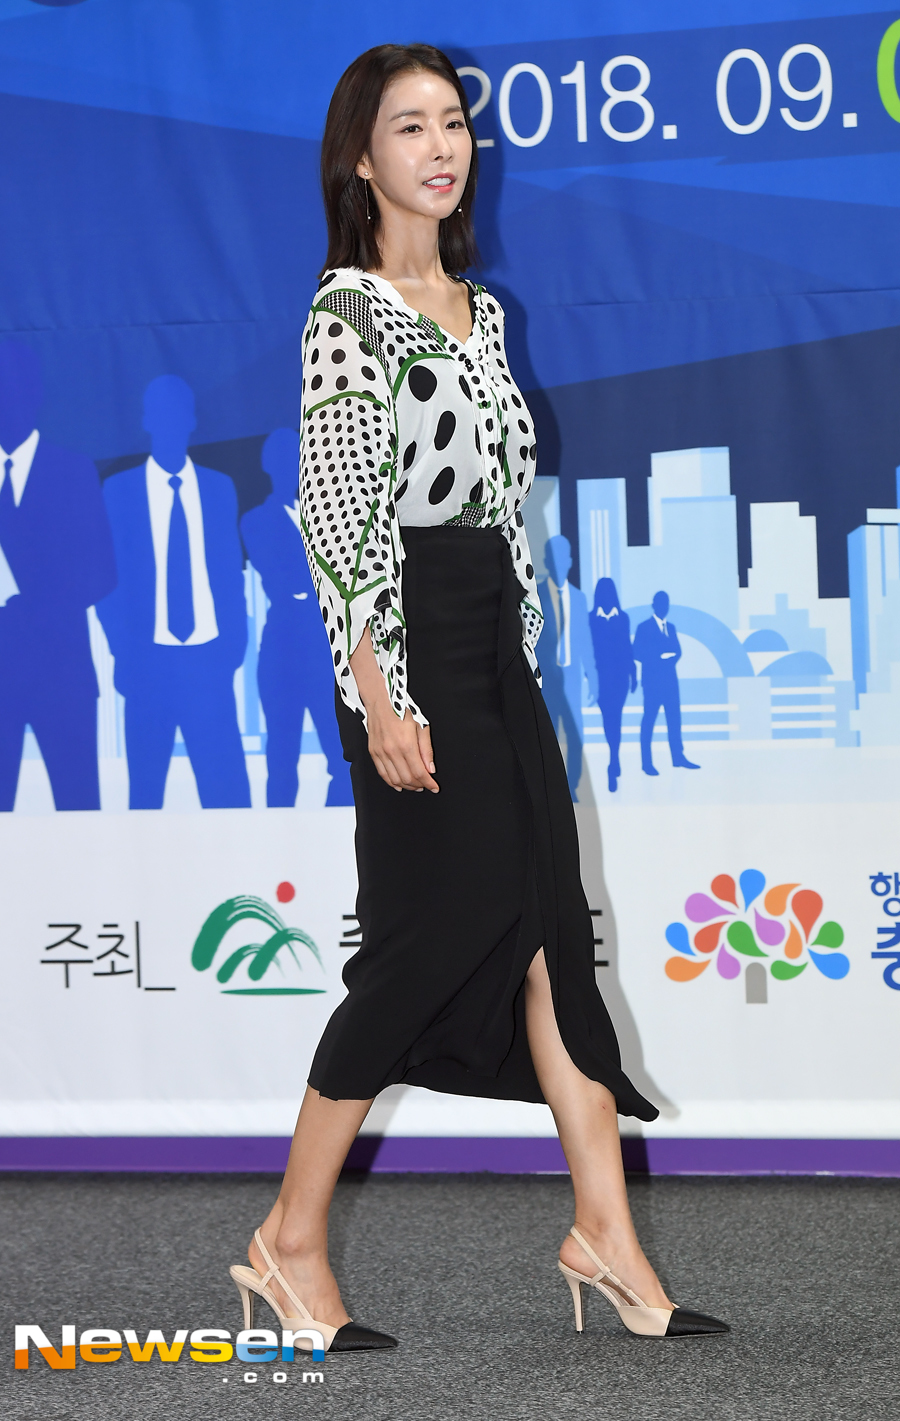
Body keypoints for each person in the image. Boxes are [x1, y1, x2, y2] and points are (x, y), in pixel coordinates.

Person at [228, 45, 727, 1353]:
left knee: (554, 930)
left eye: (455, 123)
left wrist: (525, 662)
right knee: (417, 948)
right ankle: (286, 1241)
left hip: (495, 656)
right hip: (409, 659)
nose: (443, 147)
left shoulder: (482, 311)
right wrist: (381, 695)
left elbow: (503, 513)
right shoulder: (345, 316)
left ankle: (606, 1234)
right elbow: (339, 529)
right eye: (411, 127)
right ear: (361, 159)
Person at [96, 376, 251, 809]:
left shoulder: (219, 488)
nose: (168, 422)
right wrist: (125, 654)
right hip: (147, 666)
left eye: (177, 413)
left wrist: (231, 650)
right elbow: (109, 586)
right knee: (145, 801)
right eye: (159, 413)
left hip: (209, 665)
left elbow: (229, 576)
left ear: (192, 421)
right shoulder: (119, 490)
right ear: (146, 421)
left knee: (229, 801)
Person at [0, 340, 116, 811]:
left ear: (35, 393)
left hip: (62, 675)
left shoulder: (72, 471)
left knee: (79, 810)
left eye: (16, 385)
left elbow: (104, 572)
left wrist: (37, 603)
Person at [240, 427, 353, 807]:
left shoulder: (333, 516)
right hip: (283, 656)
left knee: (342, 759)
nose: (292, 465)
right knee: (282, 761)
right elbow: (287, 583)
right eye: (283, 458)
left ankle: (334, 837)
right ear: (267, 466)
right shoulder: (256, 520)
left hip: (329, 655)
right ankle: (280, 846)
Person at [536, 534, 597, 801]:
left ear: (571, 561)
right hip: (546, 679)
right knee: (548, 735)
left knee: (575, 735)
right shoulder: (533, 595)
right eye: (554, 556)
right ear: (546, 561)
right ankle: (549, 789)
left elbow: (585, 642)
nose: (560, 561)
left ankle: (571, 786)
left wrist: (592, 677)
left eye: (564, 556)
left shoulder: (580, 599)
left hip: (572, 678)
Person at [632, 590, 700, 776]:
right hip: (652, 684)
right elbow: (636, 652)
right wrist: (658, 657)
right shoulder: (644, 627)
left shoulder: (671, 627)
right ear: (654, 605)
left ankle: (678, 757)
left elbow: (677, 651)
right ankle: (647, 763)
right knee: (649, 722)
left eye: (667, 604)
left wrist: (667, 658)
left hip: (670, 683)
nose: (664, 607)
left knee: (674, 721)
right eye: (661, 604)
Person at [589, 577, 636, 793]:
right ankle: (614, 758)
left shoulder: (623, 618)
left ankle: (614, 759)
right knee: (609, 718)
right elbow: (589, 651)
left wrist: (634, 675)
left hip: (620, 679)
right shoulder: (591, 619)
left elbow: (627, 648)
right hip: (601, 680)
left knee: (615, 716)